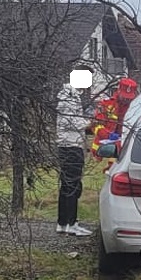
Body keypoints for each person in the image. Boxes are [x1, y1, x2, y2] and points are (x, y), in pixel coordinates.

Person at [54, 74, 92, 236]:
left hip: (69, 145)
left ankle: (63, 223)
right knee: (72, 186)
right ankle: (71, 223)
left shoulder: (70, 96)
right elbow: (69, 122)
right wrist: (89, 123)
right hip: (71, 146)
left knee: (68, 185)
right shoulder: (69, 98)